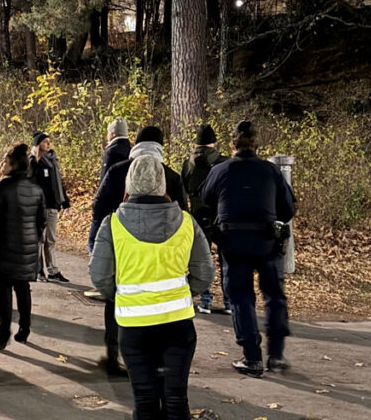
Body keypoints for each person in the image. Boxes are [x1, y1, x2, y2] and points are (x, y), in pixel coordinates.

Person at [89, 155, 213, 420]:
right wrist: (183, 294)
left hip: (135, 330)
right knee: (176, 401)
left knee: (144, 403)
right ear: (162, 184)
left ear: (129, 185)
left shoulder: (112, 225)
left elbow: (100, 277)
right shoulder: (187, 222)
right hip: (178, 328)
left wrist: (126, 296)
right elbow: (205, 273)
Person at [200, 121, 296, 378]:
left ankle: (252, 357)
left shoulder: (221, 170)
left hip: (233, 241)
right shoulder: (271, 171)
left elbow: (205, 198)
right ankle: (276, 355)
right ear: (257, 143)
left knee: (241, 297)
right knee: (274, 296)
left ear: (232, 144)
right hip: (266, 241)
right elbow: (288, 210)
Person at [90, 126, 188, 375]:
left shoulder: (116, 171)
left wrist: (107, 234)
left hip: (121, 249)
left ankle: (114, 355)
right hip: (161, 255)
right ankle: (153, 359)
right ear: (161, 147)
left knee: (116, 302)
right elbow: (184, 216)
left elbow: (99, 207)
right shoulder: (172, 176)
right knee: (155, 305)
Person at [0, 143, 47, 350]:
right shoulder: (36, 189)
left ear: (12, 164)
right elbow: (41, 220)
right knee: (23, 289)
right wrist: (33, 239)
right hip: (27, 249)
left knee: (4, 293)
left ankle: (3, 334)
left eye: (5, 161)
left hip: (4, 248)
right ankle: (25, 329)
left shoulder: (3, 187)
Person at [180, 124, 228, 314]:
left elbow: (183, 191)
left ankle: (205, 300)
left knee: (202, 259)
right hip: (220, 217)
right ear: (213, 143)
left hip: (198, 216)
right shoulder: (224, 162)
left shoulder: (188, 164)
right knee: (226, 260)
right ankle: (229, 302)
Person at [29, 131, 70, 282]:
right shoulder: (33, 161)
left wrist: (64, 200)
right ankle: (39, 270)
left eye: (48, 141)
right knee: (40, 239)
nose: (48, 144)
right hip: (39, 207)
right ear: (38, 144)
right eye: (45, 142)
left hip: (53, 205)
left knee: (51, 240)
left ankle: (53, 270)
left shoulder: (53, 160)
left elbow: (59, 181)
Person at [89, 118, 133, 255]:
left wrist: (97, 205)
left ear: (113, 134)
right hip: (125, 201)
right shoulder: (131, 151)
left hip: (109, 203)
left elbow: (105, 181)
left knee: (94, 241)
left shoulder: (111, 152)